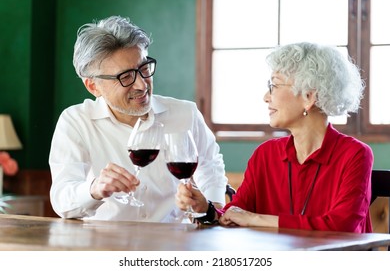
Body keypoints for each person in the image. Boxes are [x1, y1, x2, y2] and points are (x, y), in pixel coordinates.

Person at [177, 42, 374, 233]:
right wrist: (205, 208)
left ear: (308, 97)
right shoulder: (266, 154)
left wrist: (255, 219)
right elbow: (232, 216)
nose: (266, 96)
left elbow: (342, 226)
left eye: (275, 85)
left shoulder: (355, 155)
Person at [49, 15, 227, 222]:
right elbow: (62, 201)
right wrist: (94, 189)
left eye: (144, 69)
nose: (142, 85)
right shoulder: (75, 121)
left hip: (174, 244)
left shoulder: (185, 113)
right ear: (93, 86)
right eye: (125, 77)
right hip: (104, 244)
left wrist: (211, 209)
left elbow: (210, 166)